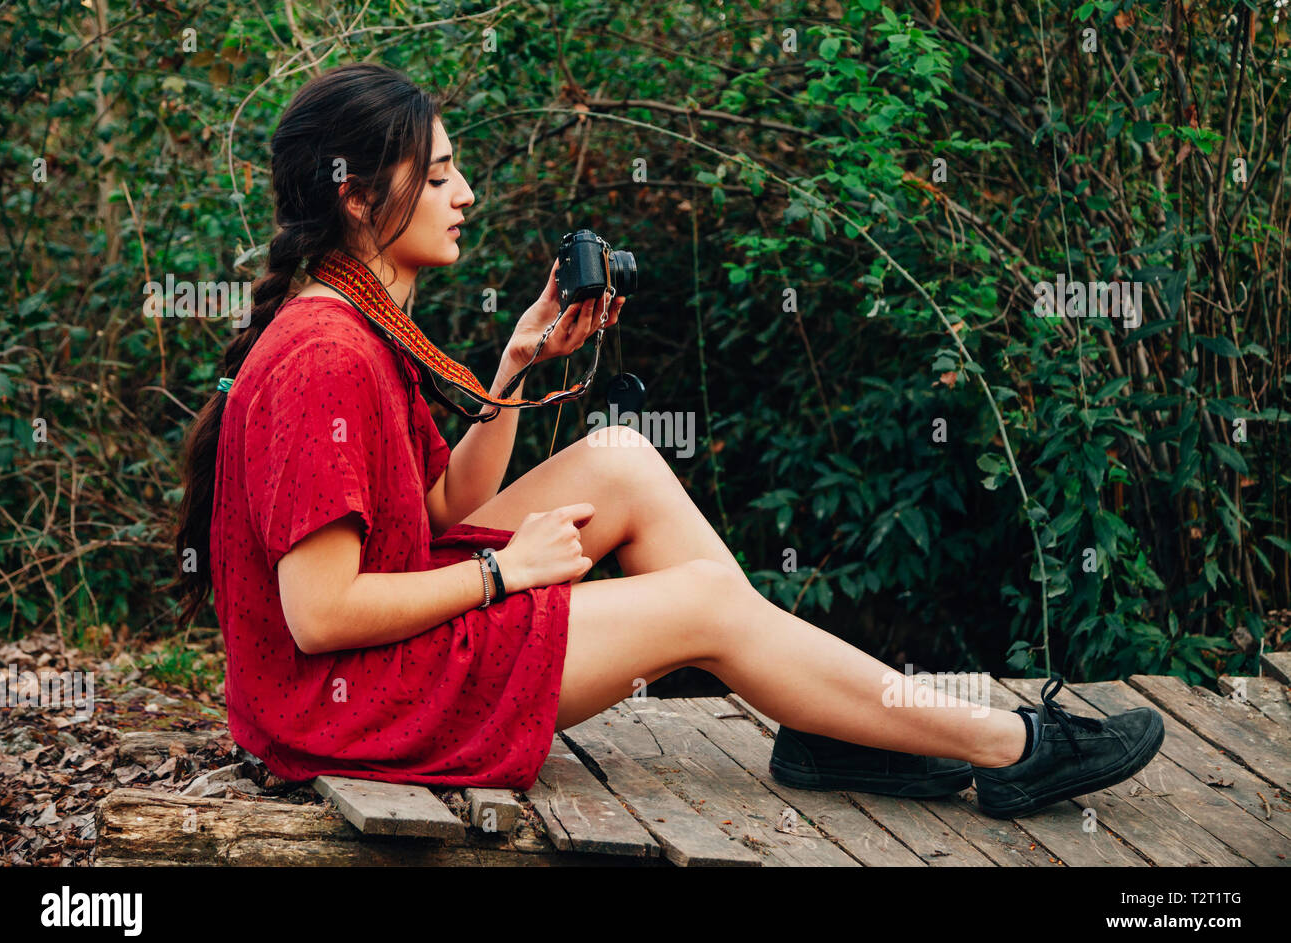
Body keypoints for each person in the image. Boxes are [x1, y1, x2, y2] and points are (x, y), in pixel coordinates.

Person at [174, 62, 1163, 819]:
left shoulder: (359, 324)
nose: (465, 190)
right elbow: (321, 613)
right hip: (342, 704)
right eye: (436, 176)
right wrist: (505, 576)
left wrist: (516, 364)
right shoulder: (324, 355)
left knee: (620, 460)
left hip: (372, 665)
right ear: (357, 196)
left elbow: (440, 511)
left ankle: (835, 732)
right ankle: (1006, 744)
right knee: (698, 603)